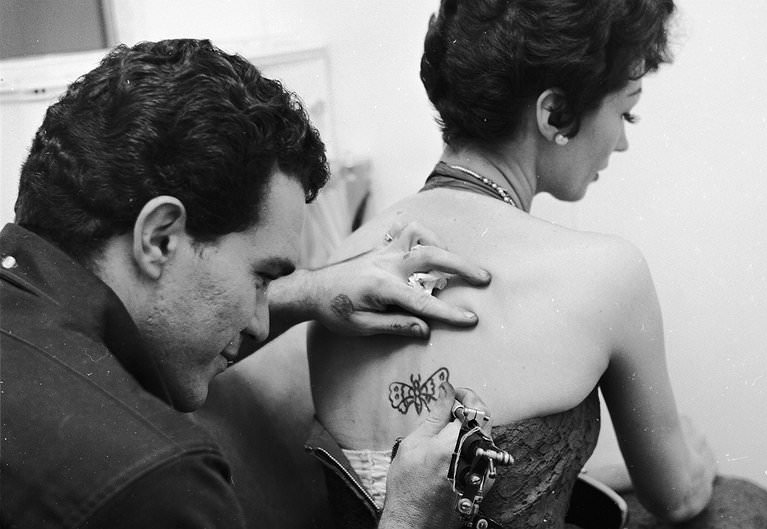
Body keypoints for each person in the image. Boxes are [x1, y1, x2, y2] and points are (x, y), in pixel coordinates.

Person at [307, 1, 767, 528]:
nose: (622, 141)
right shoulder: (607, 274)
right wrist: (699, 460)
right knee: (740, 503)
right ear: (554, 113)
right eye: (626, 112)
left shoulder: (342, 269)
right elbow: (678, 497)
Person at [0, 38, 494, 529]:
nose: (260, 323)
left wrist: (310, 291)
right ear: (159, 238)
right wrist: (410, 518)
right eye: (261, 277)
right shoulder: (156, 481)